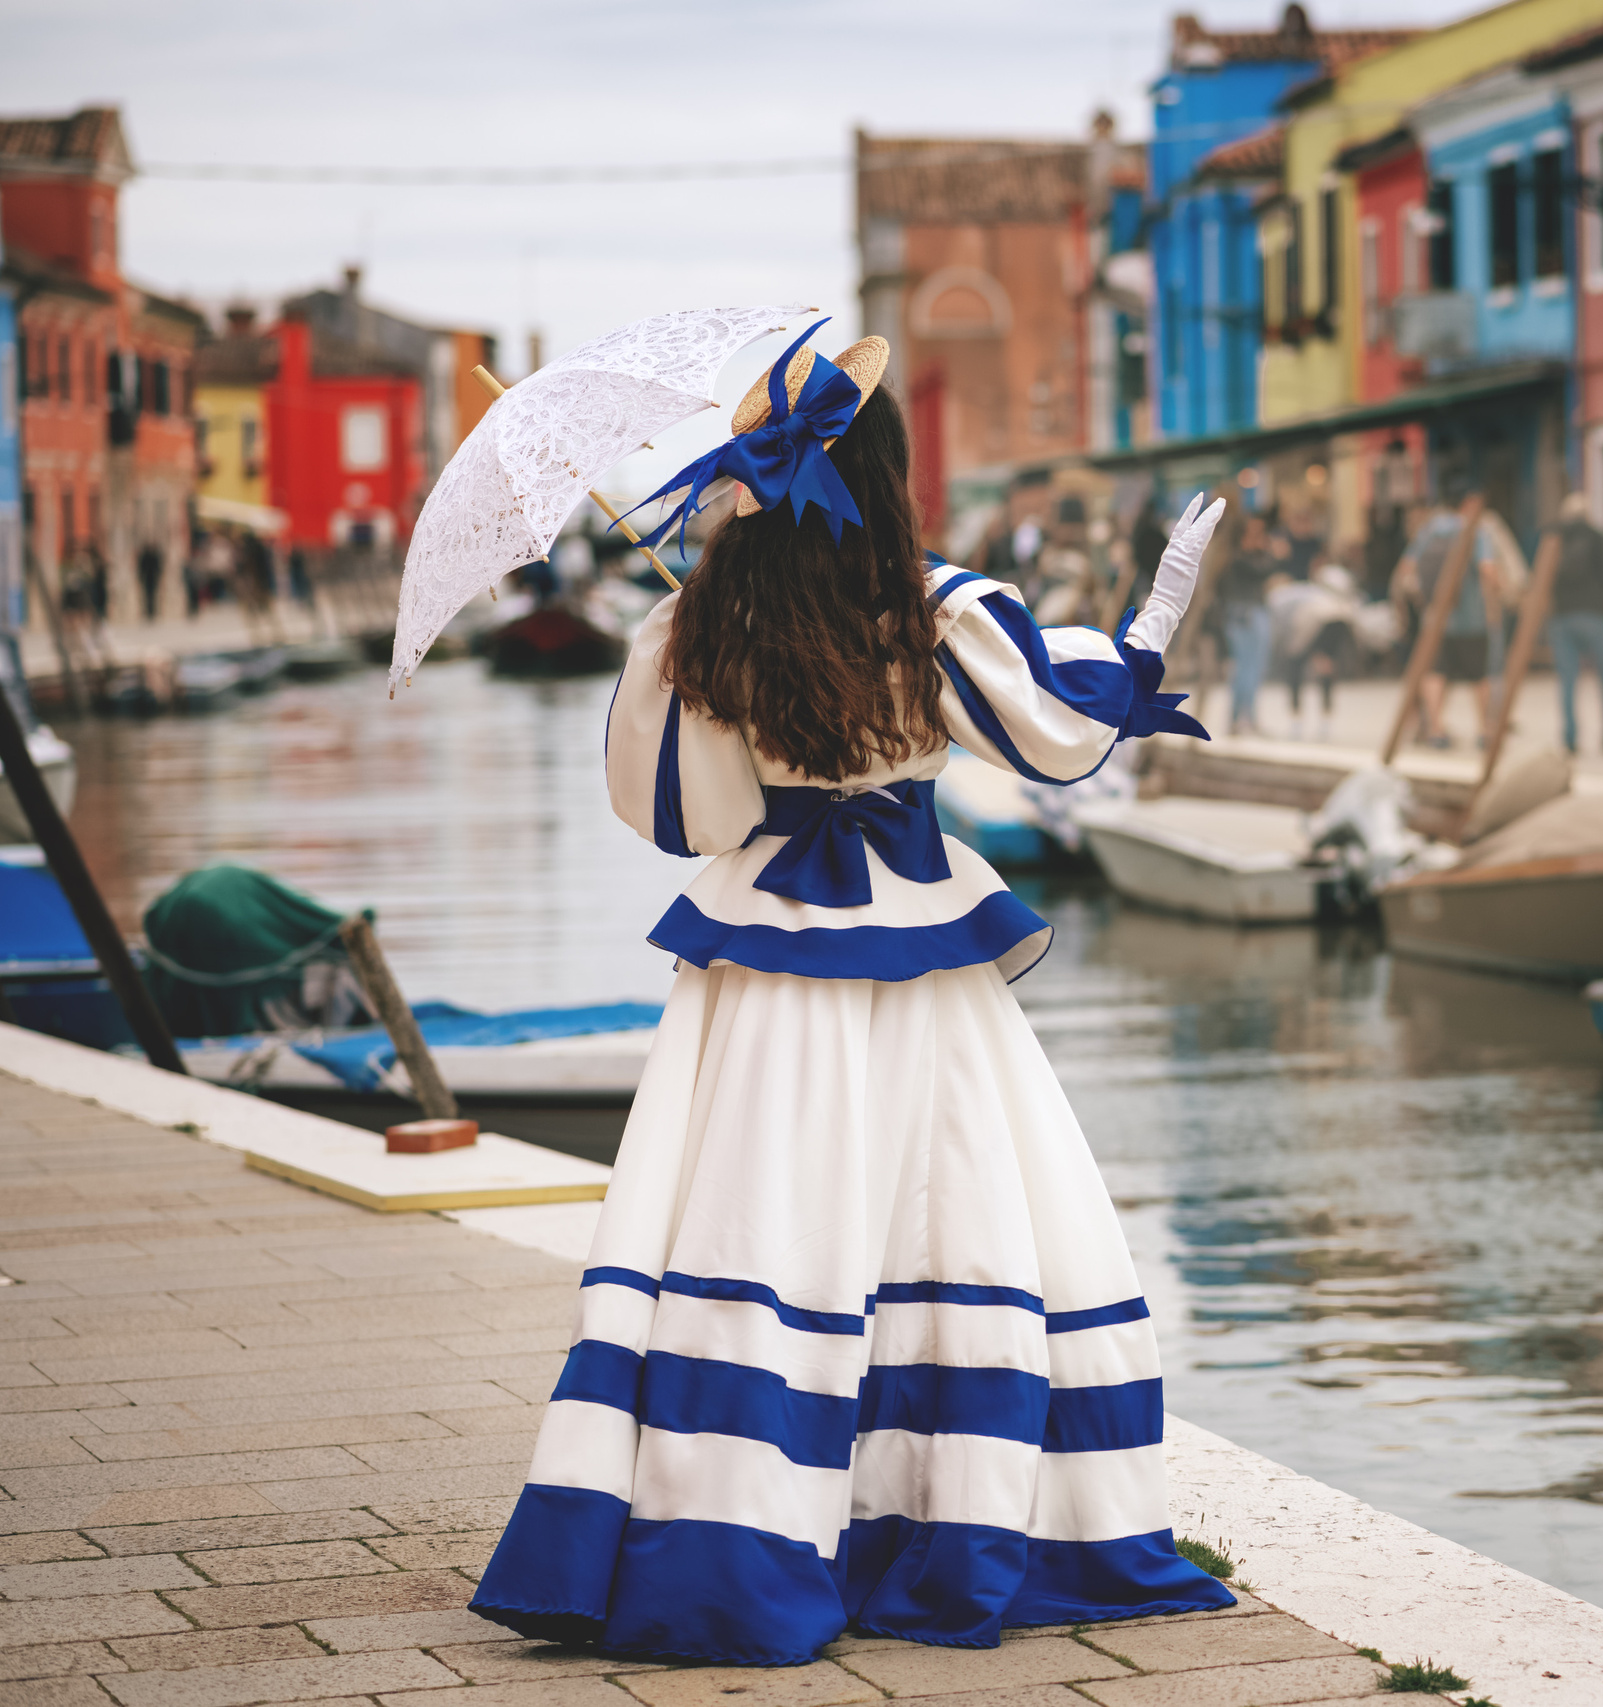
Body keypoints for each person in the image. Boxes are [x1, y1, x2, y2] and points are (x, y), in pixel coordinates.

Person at [469, 324, 1235, 1663]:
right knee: (958, 1222)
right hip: (924, 959)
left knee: (767, 1233)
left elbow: (689, 817)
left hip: (763, 971)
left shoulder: (694, 624)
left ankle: (745, 1531)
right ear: (883, 467)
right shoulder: (941, 609)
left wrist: (690, 644)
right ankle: (940, 1517)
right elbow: (1058, 733)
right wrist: (1152, 622)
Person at [1393, 494, 1510, 748]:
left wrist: (1423, 599)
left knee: (1435, 673)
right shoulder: (1475, 531)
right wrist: (1501, 591)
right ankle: (1484, 730)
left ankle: (1436, 729)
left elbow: (1406, 568)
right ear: (1469, 505)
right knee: (1479, 675)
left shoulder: (1430, 531)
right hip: (1471, 618)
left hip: (1435, 619)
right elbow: (1487, 569)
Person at [1541, 492, 1603, 754]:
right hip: (1593, 613)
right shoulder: (1597, 536)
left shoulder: (1554, 536)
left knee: (1568, 679)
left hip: (1562, 615)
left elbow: (1544, 575)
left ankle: (1570, 737)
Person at [1269, 562, 1360, 741]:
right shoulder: (1294, 596)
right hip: (1317, 625)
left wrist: (1317, 651)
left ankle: (1310, 721)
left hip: (1322, 625)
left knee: (1314, 669)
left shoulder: (1291, 596)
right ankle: (1307, 720)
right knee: (1314, 669)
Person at [1217, 512, 1282, 736]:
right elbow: (1262, 571)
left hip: (1249, 614)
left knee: (1254, 668)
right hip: (1246, 615)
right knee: (1246, 669)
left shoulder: (1238, 558)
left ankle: (1247, 718)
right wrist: (1272, 552)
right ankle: (1239, 719)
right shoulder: (1239, 559)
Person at [136, 540, 164, 622]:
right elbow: (142, 567)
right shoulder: (145, 556)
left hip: (153, 578)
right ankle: (148, 611)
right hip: (147, 578)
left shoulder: (154, 555)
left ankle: (152, 610)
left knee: (153, 594)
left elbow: (158, 567)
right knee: (147, 594)